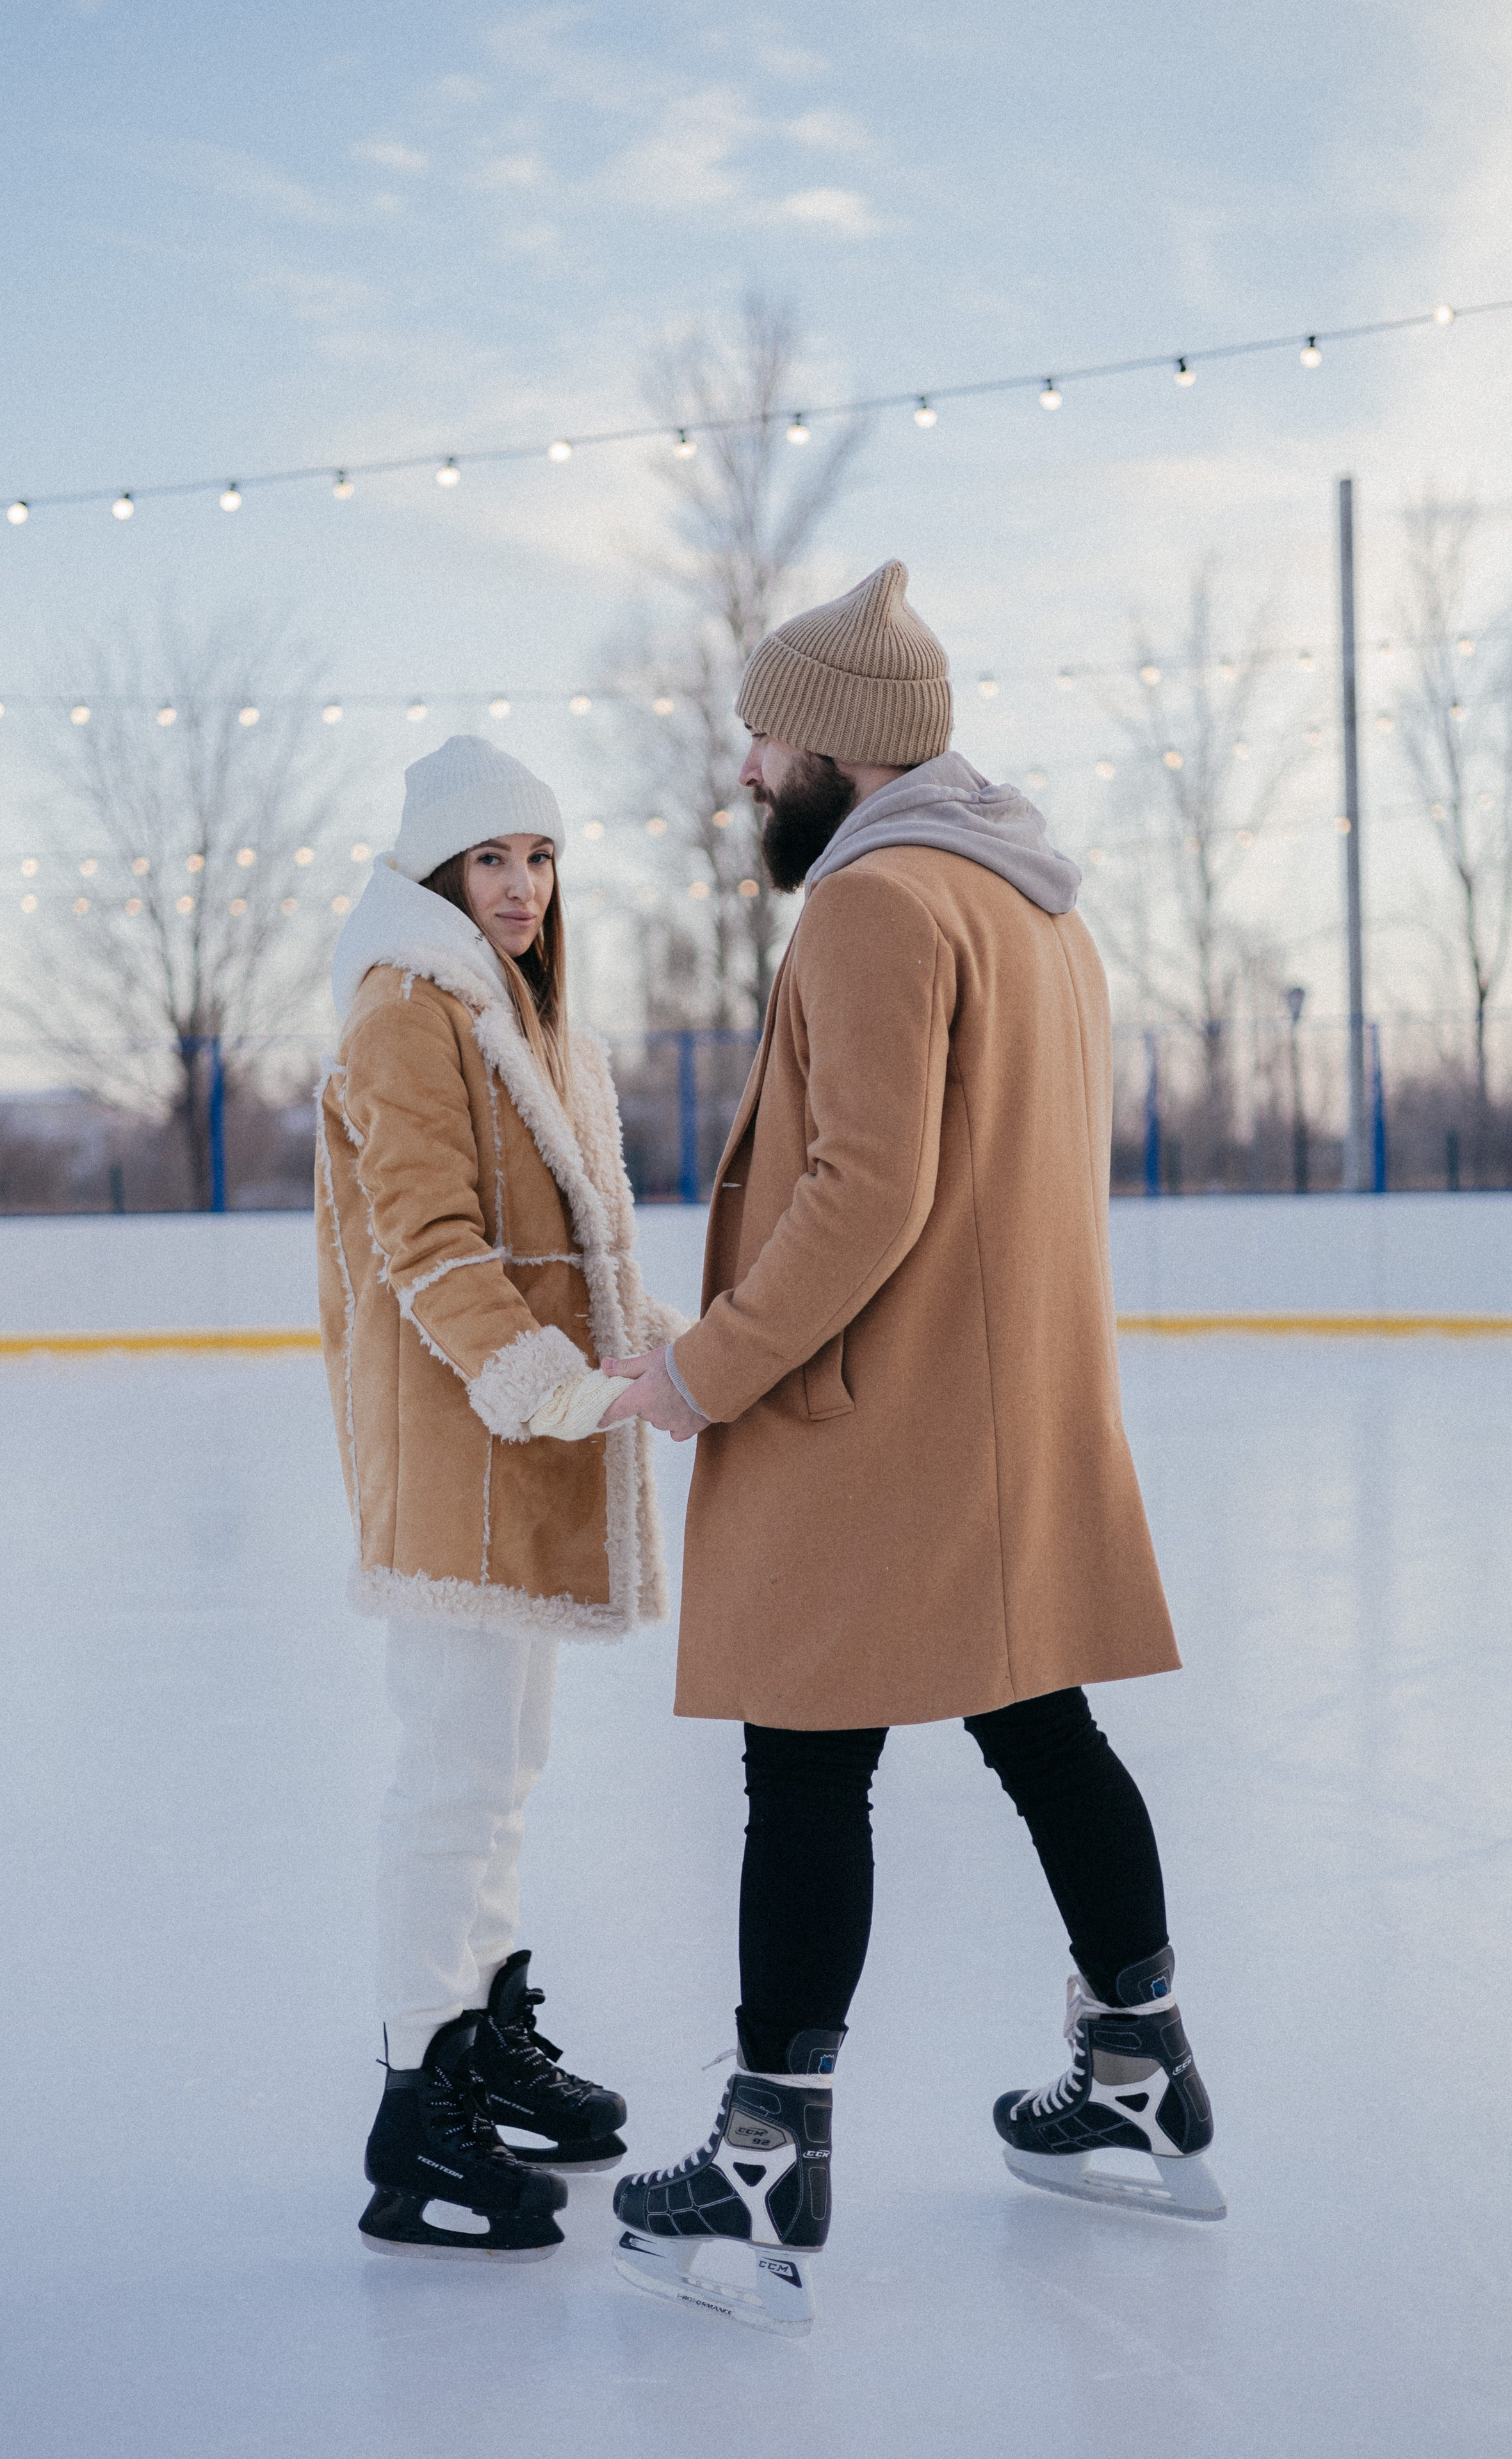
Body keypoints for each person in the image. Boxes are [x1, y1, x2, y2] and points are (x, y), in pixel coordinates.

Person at [601, 562, 1221, 2337]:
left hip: (875, 1423)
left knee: (805, 1770)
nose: (746, 767)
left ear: (843, 746)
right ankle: (1137, 2071)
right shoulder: (1031, 903)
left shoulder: (875, 902)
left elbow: (863, 1190)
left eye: (765, 736)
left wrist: (704, 1372)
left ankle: (759, 2169)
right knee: (1042, 1729)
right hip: (1004, 1416)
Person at [316, 734, 685, 2261]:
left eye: (538, 857)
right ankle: (417, 2107)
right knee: (452, 1775)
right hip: (458, 1452)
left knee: (501, 1768)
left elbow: (583, 1254)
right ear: (438, 873)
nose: (522, 885)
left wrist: (668, 1354)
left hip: (516, 1459)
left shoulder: (531, 1022)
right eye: (491, 859)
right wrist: (540, 1383)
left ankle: (479, 2035)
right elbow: (431, 1243)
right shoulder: (408, 1011)